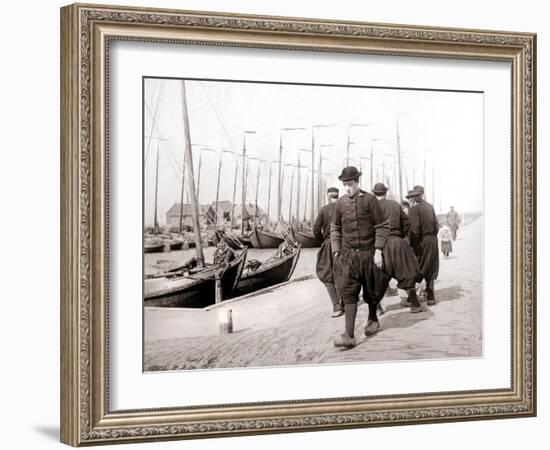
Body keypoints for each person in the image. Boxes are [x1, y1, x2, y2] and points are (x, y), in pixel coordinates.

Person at [331, 166, 390, 348]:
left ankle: (372, 319)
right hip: (348, 256)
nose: (347, 188)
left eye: (350, 184)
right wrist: (336, 251)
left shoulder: (370, 201)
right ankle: (349, 335)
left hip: (369, 254)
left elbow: (382, 226)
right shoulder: (340, 203)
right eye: (345, 185)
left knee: (371, 290)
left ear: (357, 182)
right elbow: (335, 229)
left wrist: (378, 250)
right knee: (349, 293)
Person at [372, 183, 426, 313]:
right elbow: (407, 223)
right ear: (385, 192)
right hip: (396, 242)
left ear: (374, 193)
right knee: (405, 273)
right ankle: (415, 305)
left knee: (379, 277)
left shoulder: (371, 207)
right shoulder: (395, 204)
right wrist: (399, 236)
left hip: (379, 245)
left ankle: (376, 309)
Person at [313, 187, 343, 317]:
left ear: (328, 196)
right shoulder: (344, 208)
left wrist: (323, 240)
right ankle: (344, 303)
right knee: (343, 274)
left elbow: (315, 230)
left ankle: (336, 307)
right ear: (338, 195)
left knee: (327, 275)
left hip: (329, 243)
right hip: (344, 244)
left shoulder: (324, 210)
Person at [407, 186, 439, 305]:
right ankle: (431, 296)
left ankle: (412, 298)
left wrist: (412, 245)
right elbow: (437, 226)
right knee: (431, 267)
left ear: (416, 196)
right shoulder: (430, 206)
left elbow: (414, 230)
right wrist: (432, 237)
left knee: (416, 267)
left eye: (415, 195)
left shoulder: (415, 209)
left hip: (422, 241)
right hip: (433, 240)